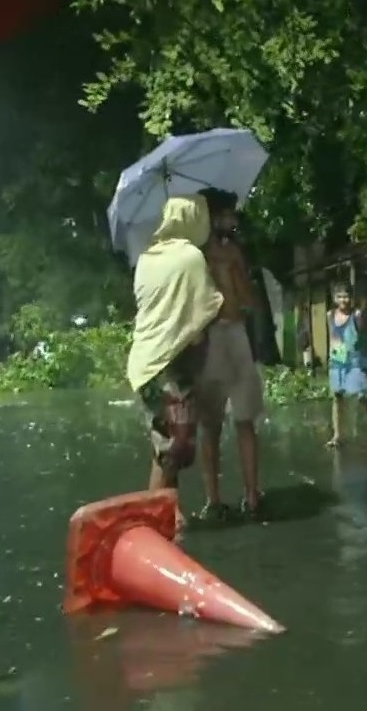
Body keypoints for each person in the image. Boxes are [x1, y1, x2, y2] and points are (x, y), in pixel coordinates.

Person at [126, 195, 224, 532]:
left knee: (164, 441)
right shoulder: (190, 257)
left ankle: (168, 512)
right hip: (172, 362)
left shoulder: (145, 258)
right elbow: (210, 306)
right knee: (175, 445)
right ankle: (156, 520)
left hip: (145, 362)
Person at [194, 188, 266, 521]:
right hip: (210, 339)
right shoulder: (195, 257)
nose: (232, 220)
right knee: (211, 423)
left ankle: (251, 493)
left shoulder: (232, 252)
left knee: (244, 417)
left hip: (235, 334)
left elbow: (247, 299)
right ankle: (214, 498)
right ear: (213, 217)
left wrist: (236, 273)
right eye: (227, 215)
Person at [325, 283, 367, 447]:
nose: (343, 300)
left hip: (355, 359)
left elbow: (363, 331)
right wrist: (331, 356)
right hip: (337, 359)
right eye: (340, 296)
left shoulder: (356, 315)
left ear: (352, 298)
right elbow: (332, 335)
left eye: (346, 296)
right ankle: (337, 434)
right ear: (335, 298)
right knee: (337, 396)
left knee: (360, 395)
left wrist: (362, 313)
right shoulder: (330, 315)